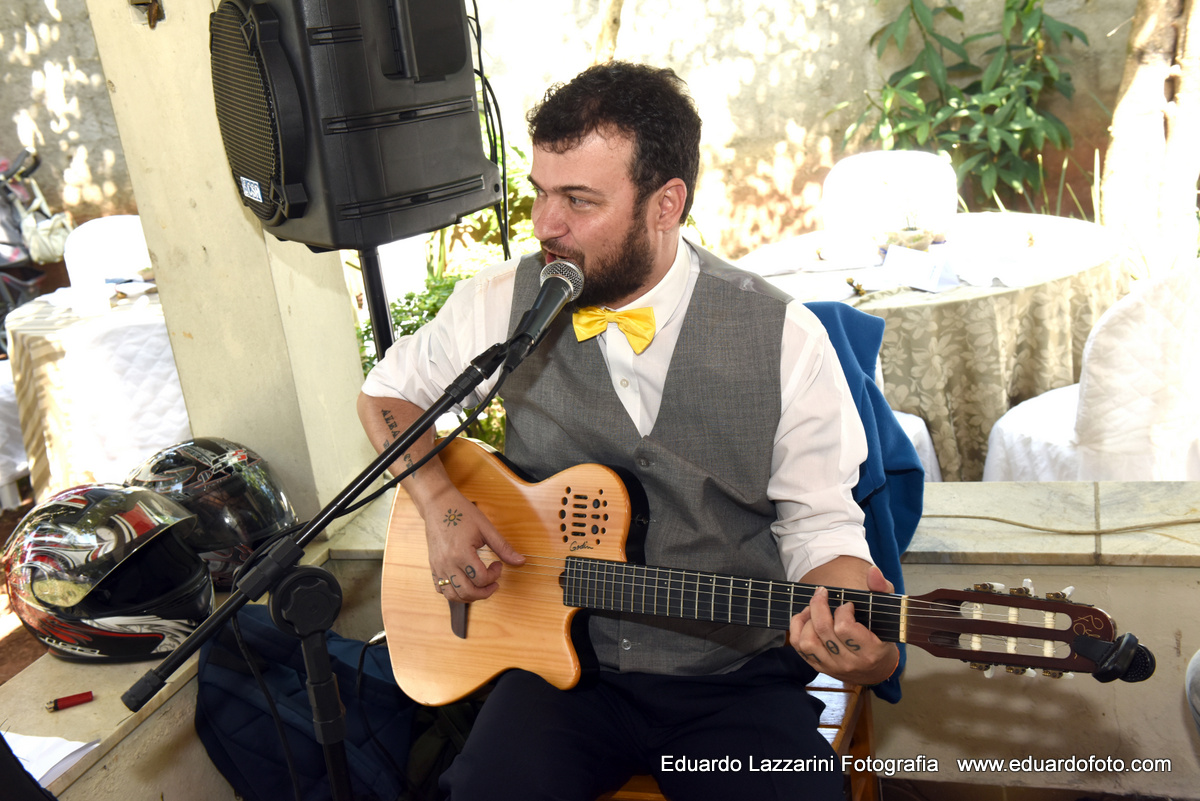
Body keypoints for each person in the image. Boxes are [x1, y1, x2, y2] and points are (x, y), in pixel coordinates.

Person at [358, 61, 900, 801]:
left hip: (730, 684)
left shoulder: (786, 338)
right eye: (542, 194)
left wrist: (858, 642)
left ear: (665, 203)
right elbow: (387, 395)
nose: (548, 225)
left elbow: (820, 528)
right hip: (562, 679)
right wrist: (445, 509)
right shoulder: (502, 301)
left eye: (579, 200)